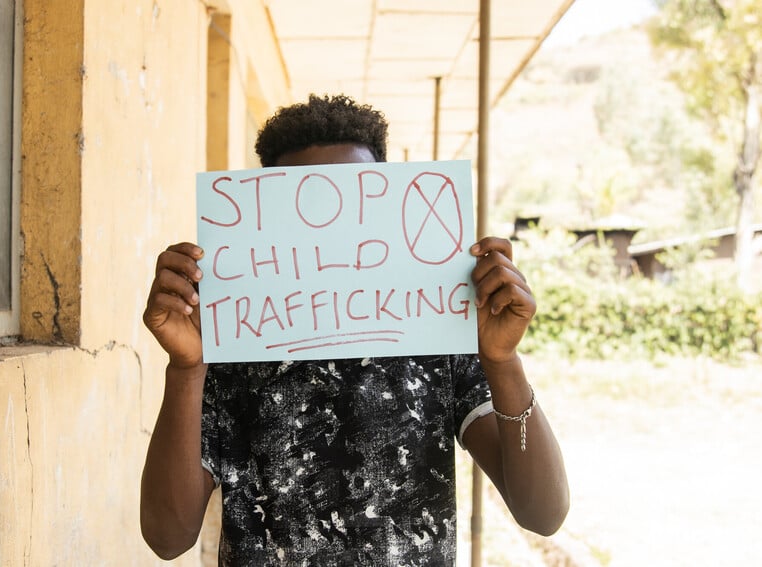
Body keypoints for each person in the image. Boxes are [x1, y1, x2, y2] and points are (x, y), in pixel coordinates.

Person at [140, 94, 569, 565]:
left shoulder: (435, 333)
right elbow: (167, 536)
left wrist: (503, 362)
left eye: (353, 202)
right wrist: (186, 368)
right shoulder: (233, 342)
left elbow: (543, 512)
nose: (332, 235)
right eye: (307, 208)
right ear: (270, 216)